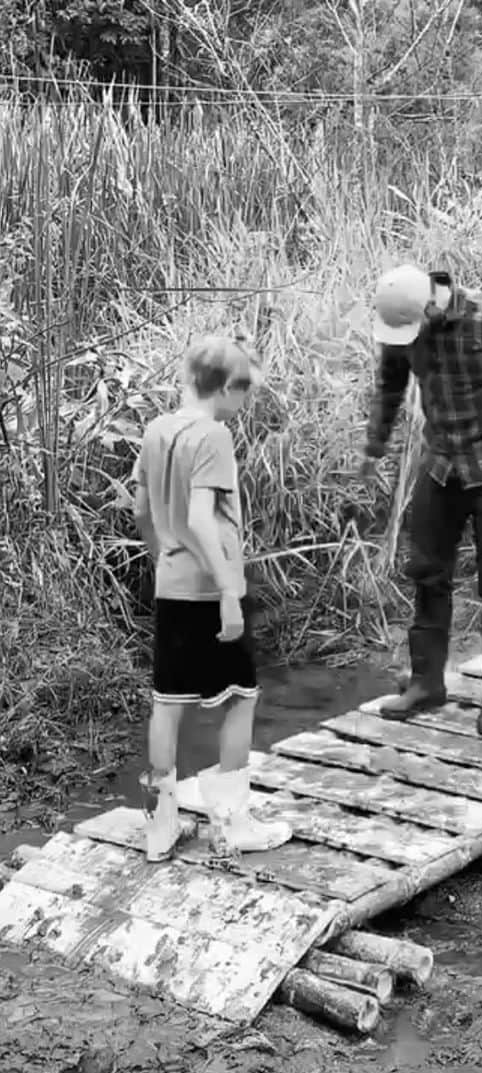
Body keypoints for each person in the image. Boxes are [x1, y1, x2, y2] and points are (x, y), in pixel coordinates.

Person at [351, 264, 482, 738]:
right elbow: (389, 388)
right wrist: (373, 449)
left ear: (431, 305)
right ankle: (427, 683)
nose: (405, 340)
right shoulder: (405, 325)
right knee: (427, 572)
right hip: (441, 464)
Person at [133, 334, 292, 862]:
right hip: (210, 587)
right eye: (243, 394)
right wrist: (227, 589)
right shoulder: (214, 436)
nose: (244, 405)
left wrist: (163, 557)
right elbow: (202, 517)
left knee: (168, 702)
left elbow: (140, 510)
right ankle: (233, 822)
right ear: (225, 388)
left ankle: (161, 824)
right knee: (242, 696)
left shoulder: (157, 429)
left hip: (172, 585)